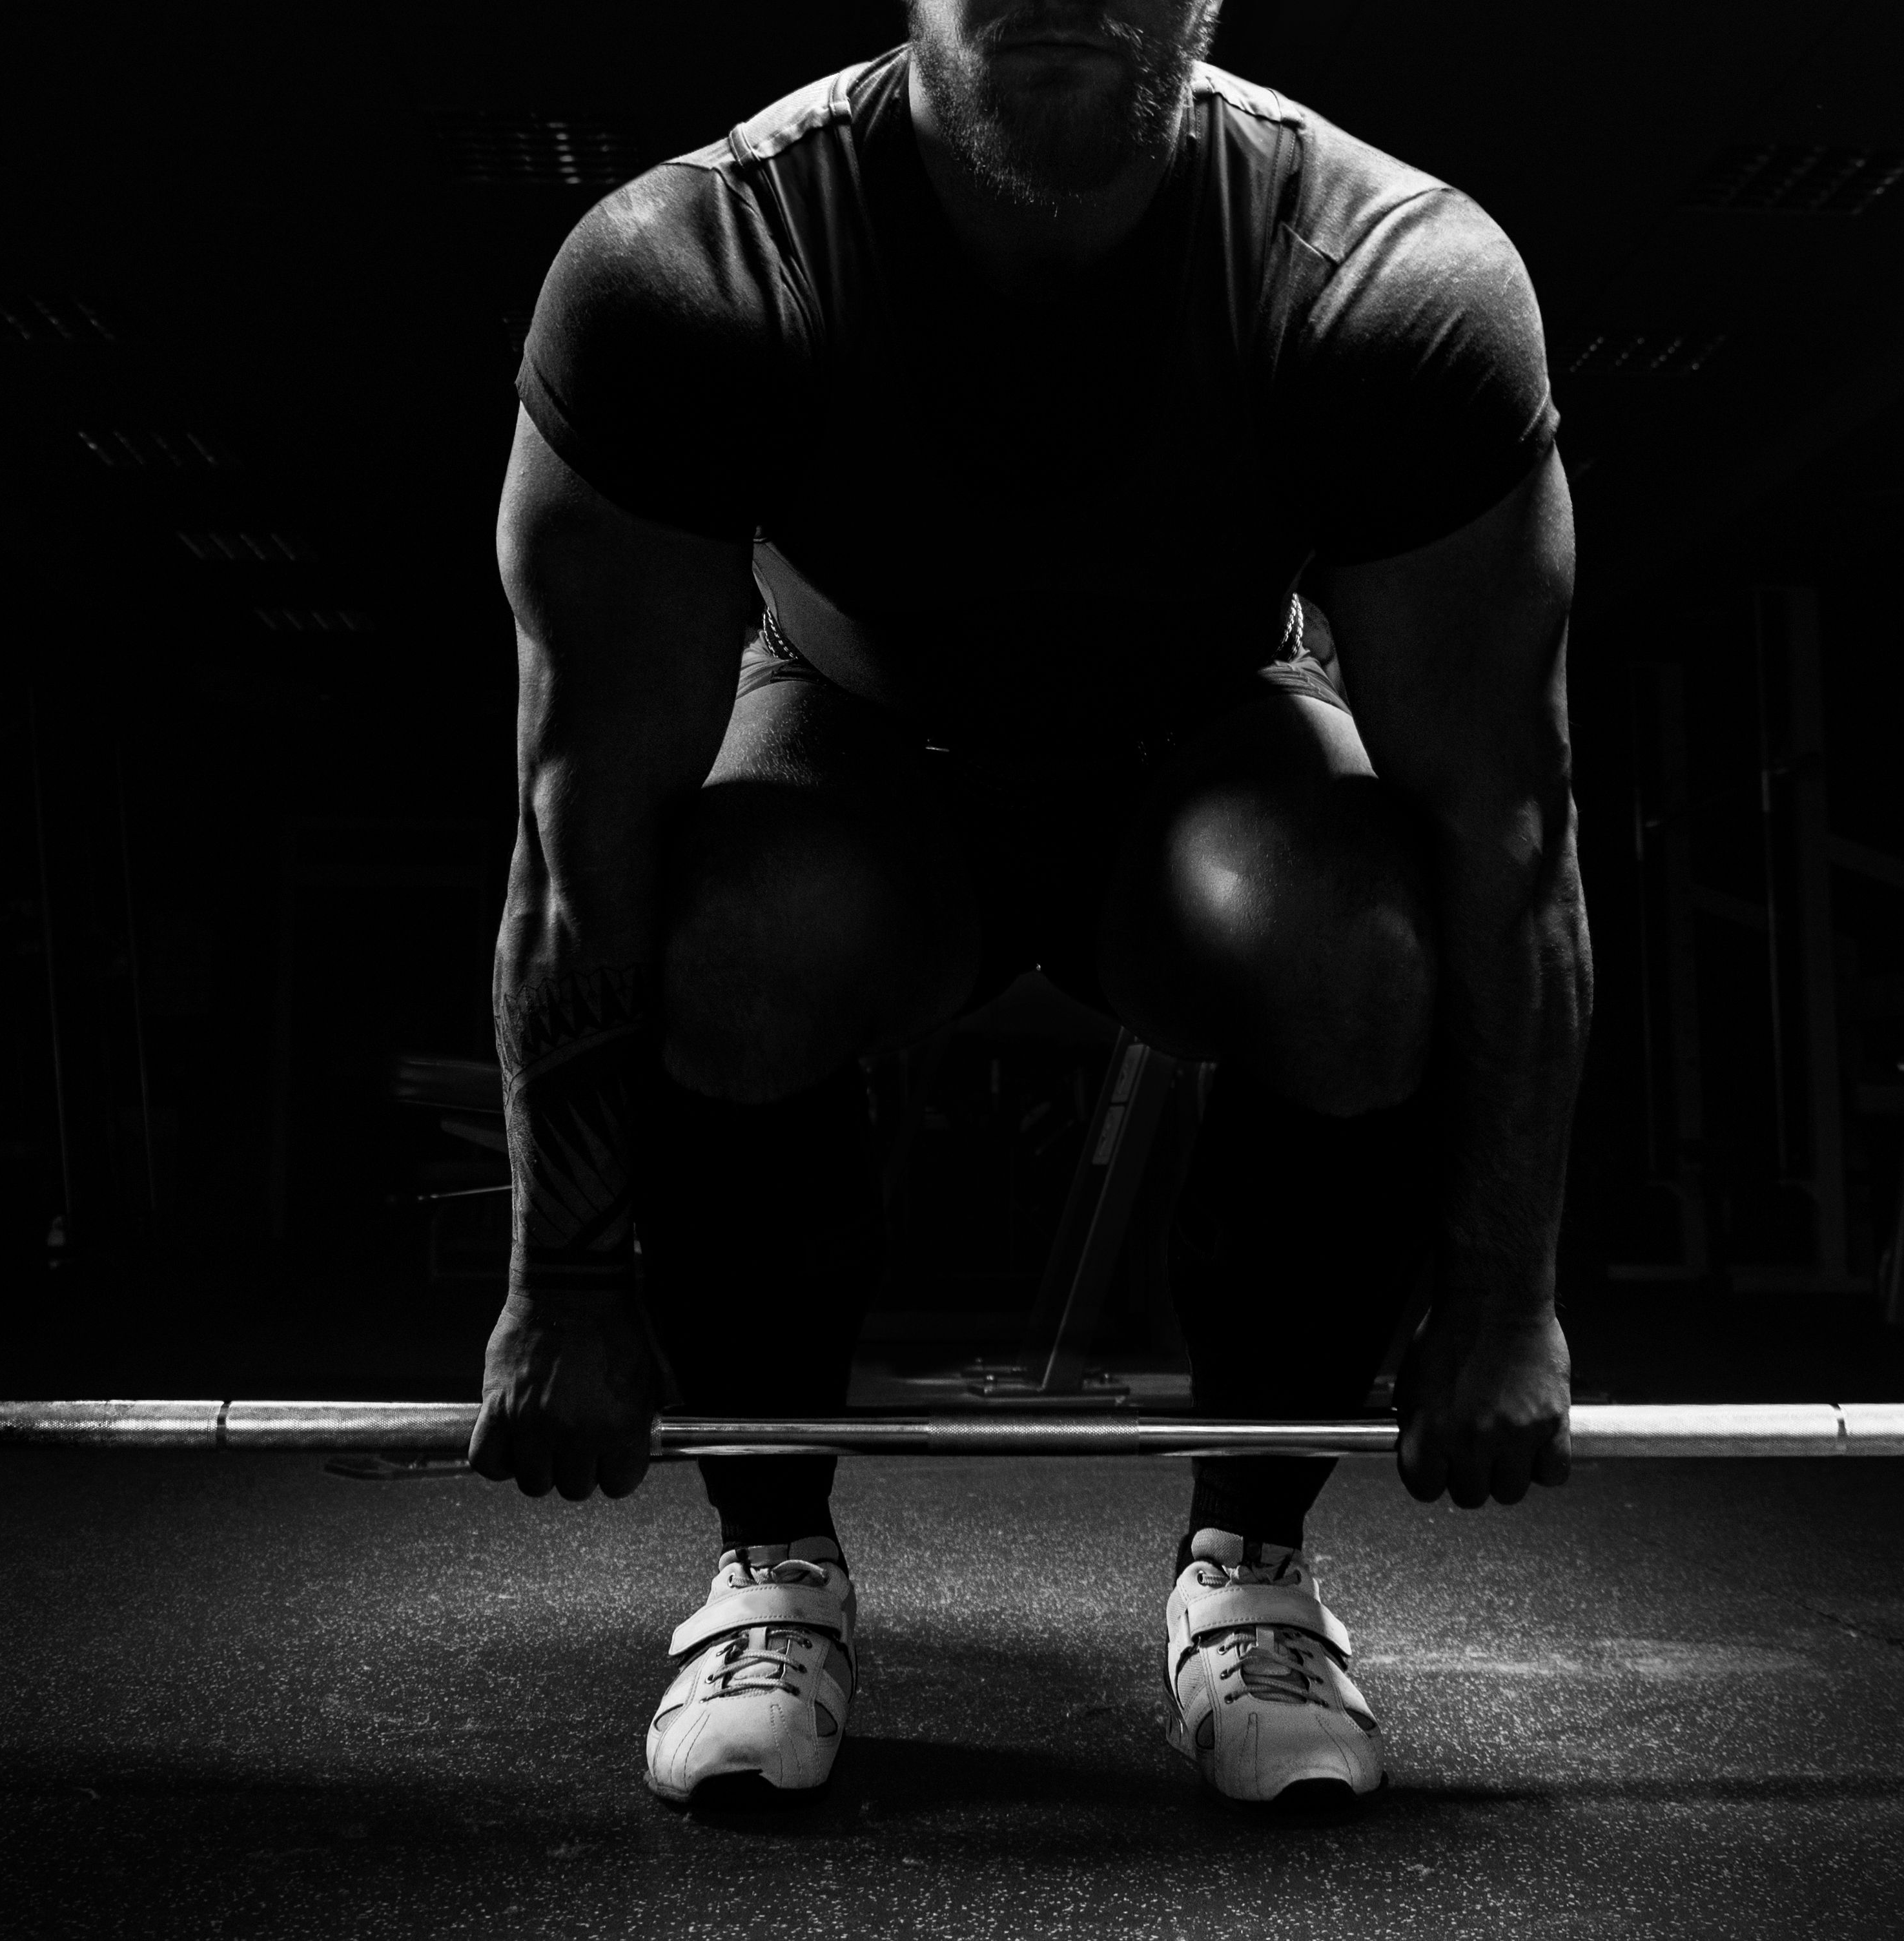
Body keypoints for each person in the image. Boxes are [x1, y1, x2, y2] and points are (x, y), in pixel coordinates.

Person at [471, 0, 1586, 1811]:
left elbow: (1509, 835)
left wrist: (1501, 1292)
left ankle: (1251, 1572)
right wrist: (566, 1282)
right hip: (859, 749)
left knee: (1359, 933)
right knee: (737, 924)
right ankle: (771, 1568)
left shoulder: (1381, 280)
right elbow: (578, 821)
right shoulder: (697, 273)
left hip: (1200, 756)